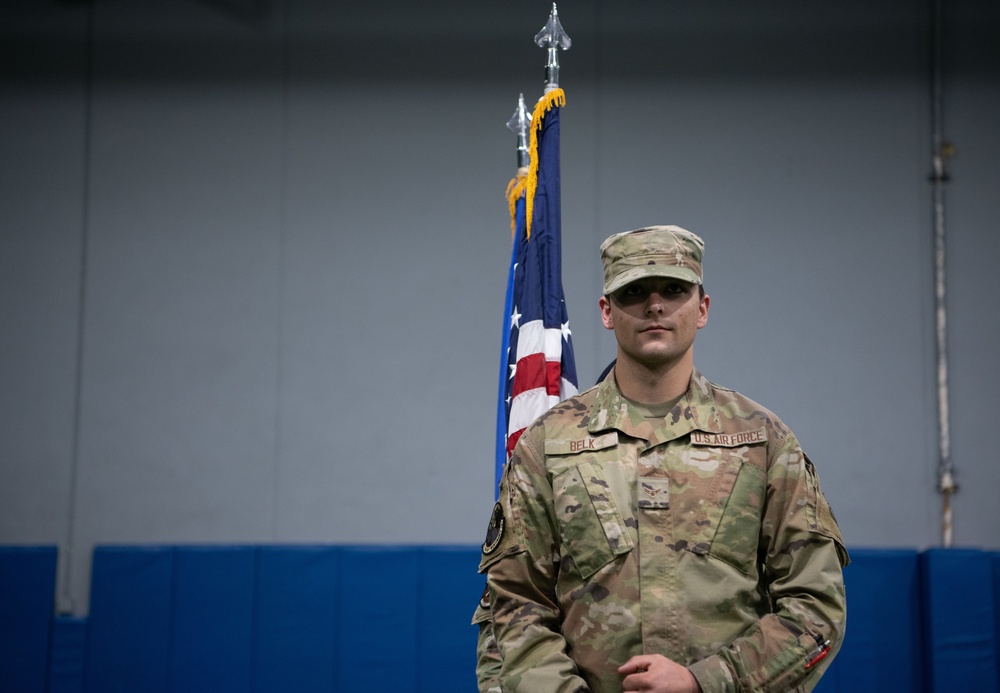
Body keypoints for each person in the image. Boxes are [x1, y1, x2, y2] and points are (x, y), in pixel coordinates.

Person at [477, 226, 848, 693]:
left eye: (674, 289)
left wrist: (706, 682)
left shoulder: (761, 441)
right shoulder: (549, 444)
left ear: (703, 308)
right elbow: (514, 605)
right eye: (634, 292)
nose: (655, 305)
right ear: (606, 312)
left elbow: (814, 608)